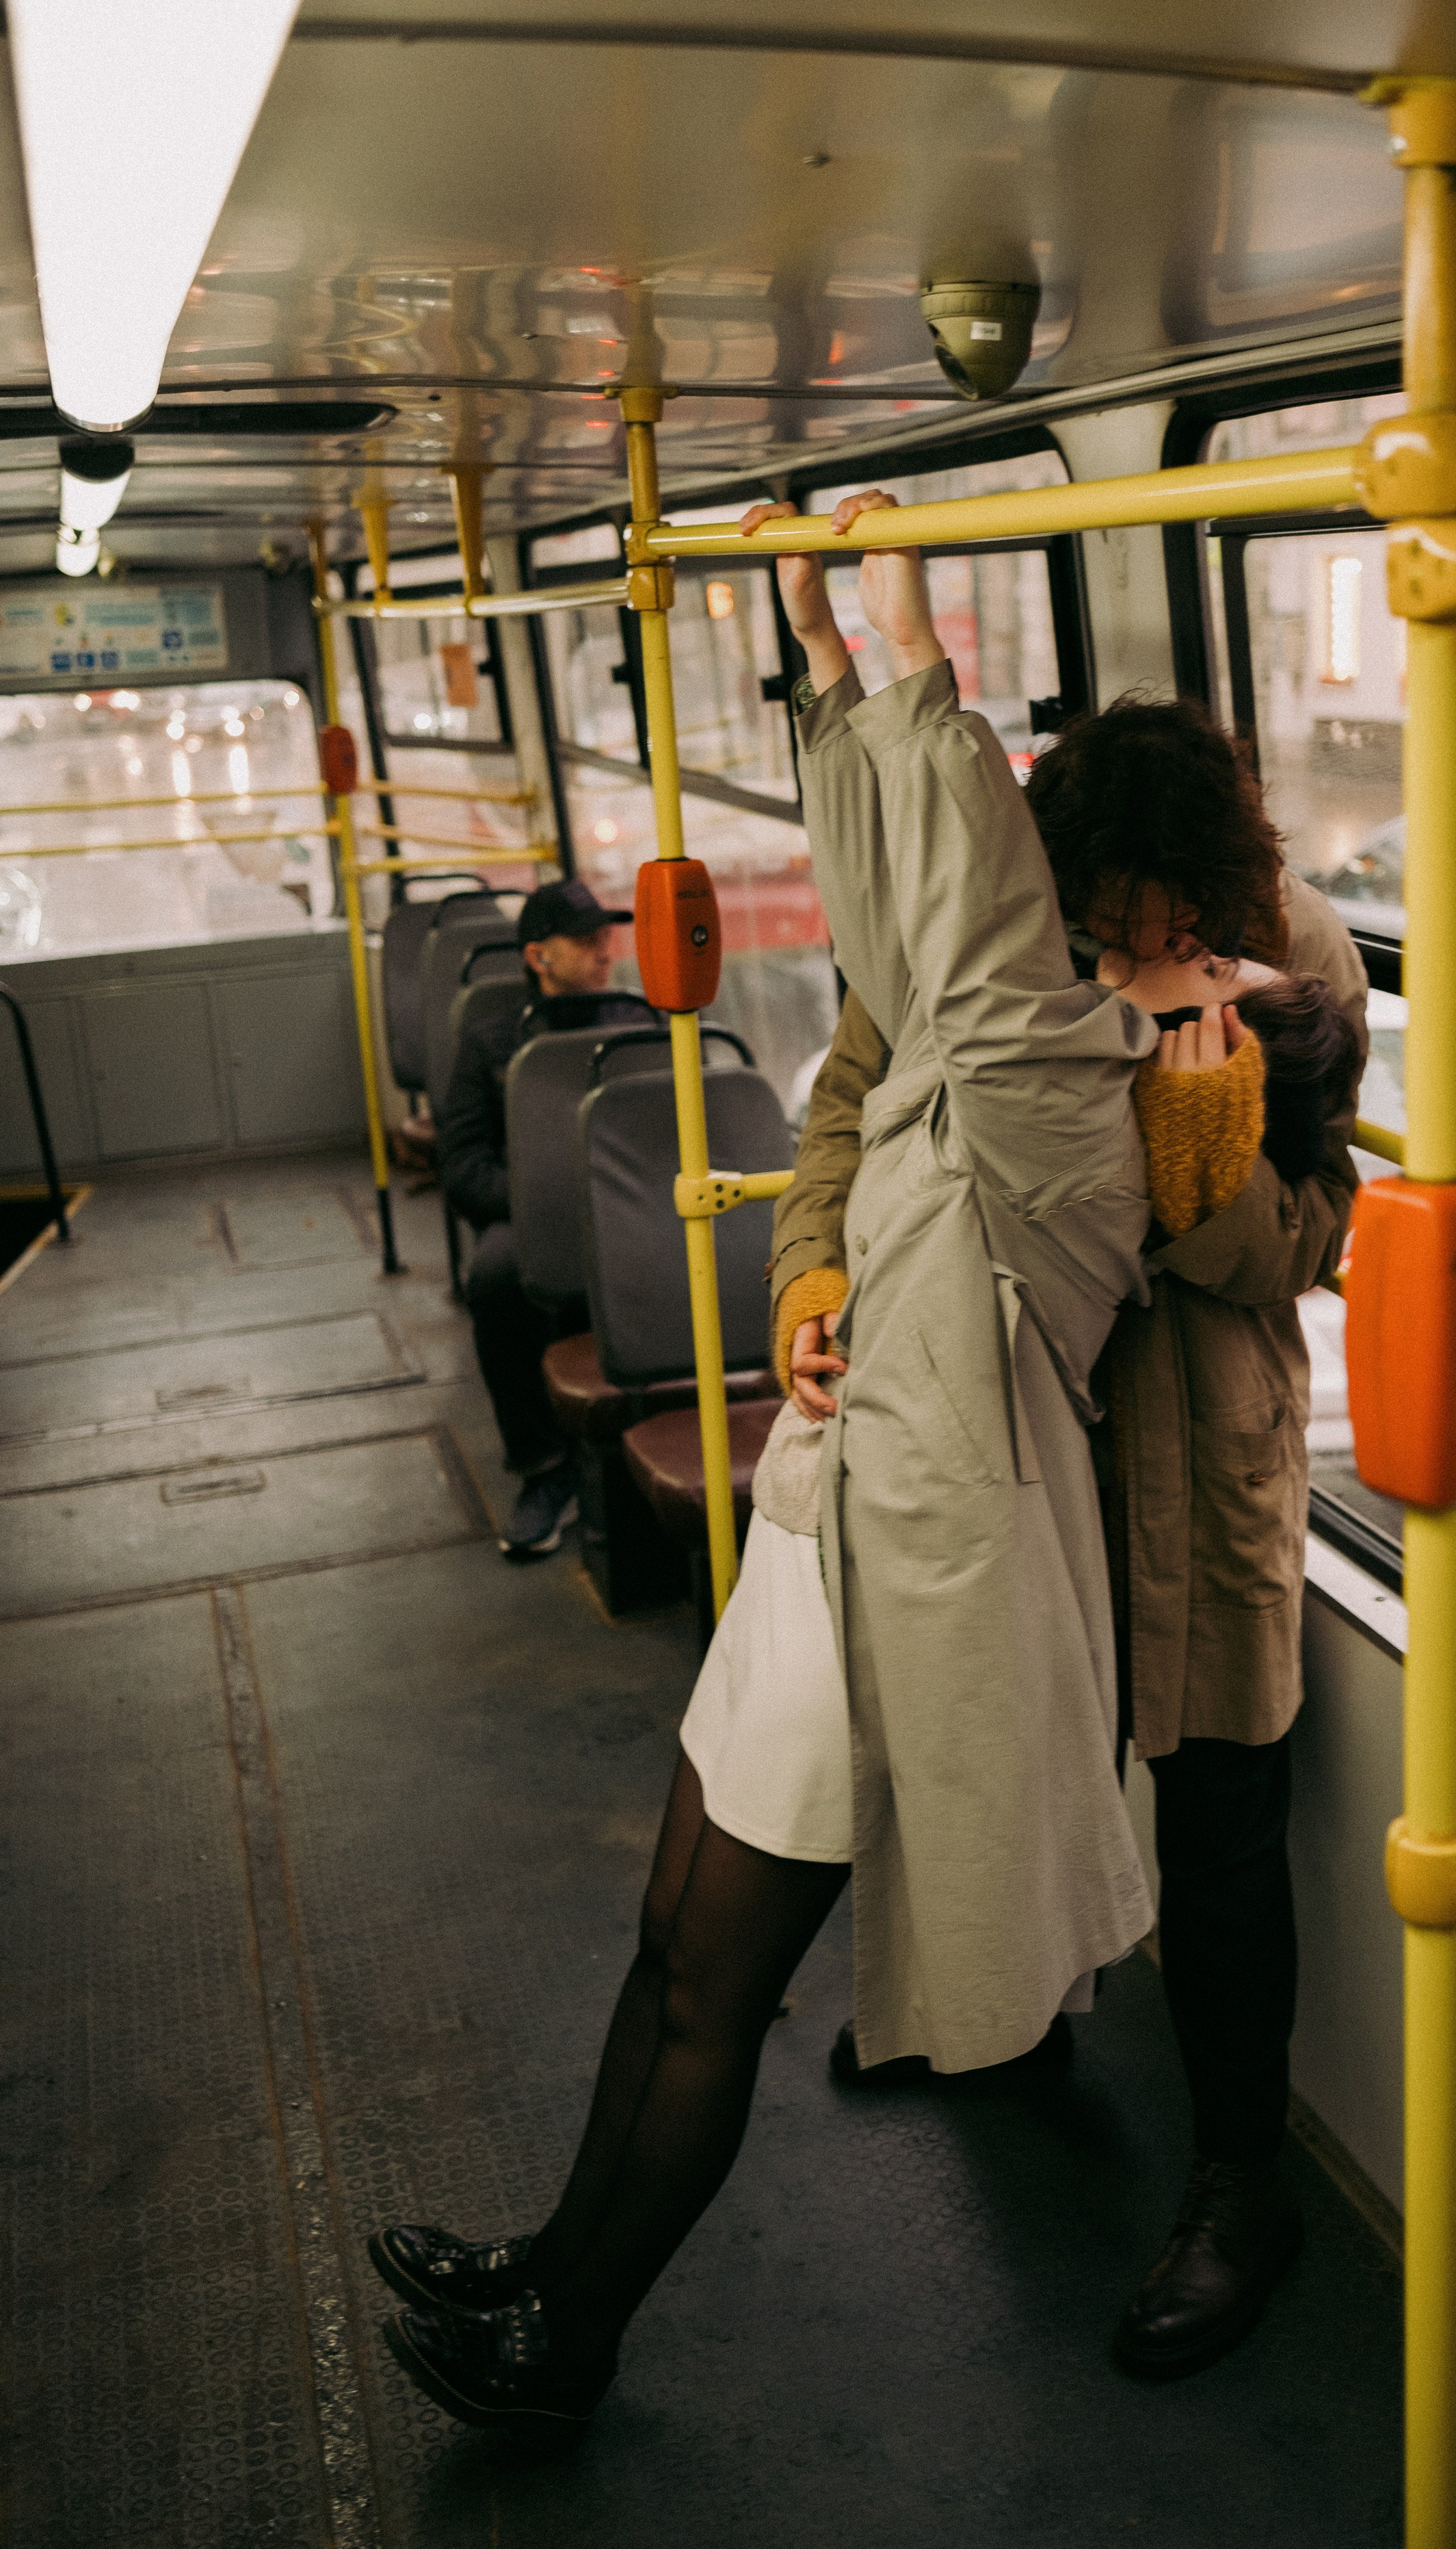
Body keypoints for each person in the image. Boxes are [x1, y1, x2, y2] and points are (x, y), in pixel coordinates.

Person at [369, 493, 1167, 2442]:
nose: (1060, 933)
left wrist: (911, 659)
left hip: (898, 1599)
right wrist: (816, 663)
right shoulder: (969, 1056)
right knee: (663, 1951)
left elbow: (963, 943)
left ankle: (572, 2350)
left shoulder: (1073, 1101)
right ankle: (550, 2266)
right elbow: (910, 934)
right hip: (819, 1540)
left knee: (716, 1985)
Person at [776, 693, 1368, 2381]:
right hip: (999, 1417)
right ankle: (1002, 2002)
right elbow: (846, 1104)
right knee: (986, 1728)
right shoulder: (975, 936)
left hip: (1199, 1445)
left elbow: (1306, 1242)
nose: (1139, 955)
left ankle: (1238, 2182)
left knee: (1220, 1816)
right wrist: (813, 1270)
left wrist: (1192, 1178)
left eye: (1173, 928)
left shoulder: (1298, 958)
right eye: (1105, 929)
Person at [438, 876, 654, 1559]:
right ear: (539, 956)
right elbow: (465, 1165)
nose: (604, 952)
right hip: (526, 1215)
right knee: (498, 1278)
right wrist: (541, 1207)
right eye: (585, 941)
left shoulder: (639, 1028)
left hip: (628, 1206)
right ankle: (541, 1466)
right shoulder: (490, 1041)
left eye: (606, 938)